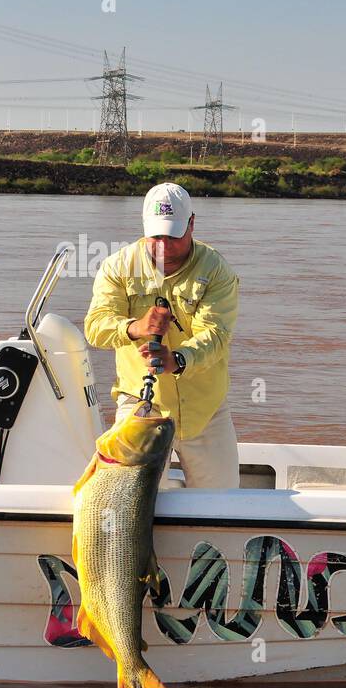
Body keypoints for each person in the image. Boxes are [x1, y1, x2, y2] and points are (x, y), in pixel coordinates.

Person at [84, 183, 240, 489]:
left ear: (192, 224)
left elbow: (217, 335)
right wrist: (134, 327)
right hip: (141, 406)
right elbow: (95, 326)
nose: (164, 247)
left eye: (174, 236)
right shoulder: (117, 267)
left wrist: (178, 360)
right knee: (124, 498)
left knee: (222, 504)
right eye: (156, 237)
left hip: (205, 410)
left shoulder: (216, 270)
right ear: (144, 228)